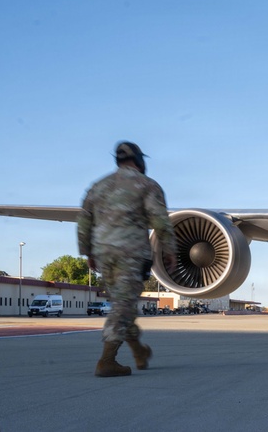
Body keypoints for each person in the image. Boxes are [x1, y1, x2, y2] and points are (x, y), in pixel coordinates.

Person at [78, 142, 177, 377]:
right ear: (140, 160)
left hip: (104, 254)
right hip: (130, 254)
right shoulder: (147, 185)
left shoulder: (98, 186)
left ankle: (139, 351)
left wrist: (88, 252)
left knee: (123, 305)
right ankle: (107, 360)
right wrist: (169, 250)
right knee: (123, 307)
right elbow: (160, 221)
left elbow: (84, 221)